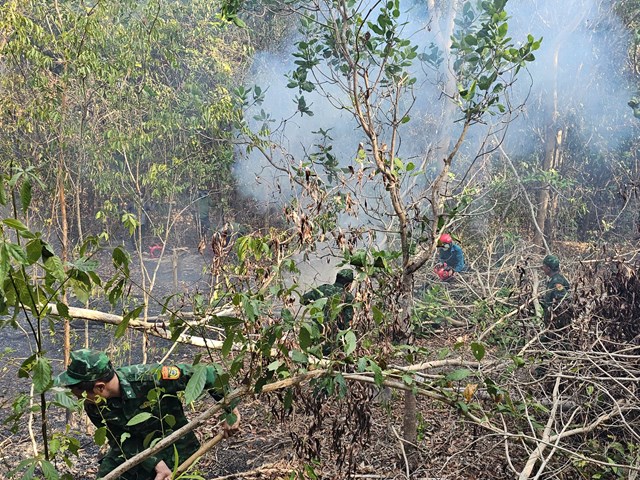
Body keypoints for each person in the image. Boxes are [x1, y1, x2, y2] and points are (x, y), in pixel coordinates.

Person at [55, 349, 240, 480]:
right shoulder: (94, 405)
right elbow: (119, 440)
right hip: (134, 450)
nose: (79, 399)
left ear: (100, 387)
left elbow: (208, 373)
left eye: (80, 394)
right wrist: (155, 463)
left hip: (177, 447)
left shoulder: (150, 377)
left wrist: (230, 411)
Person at [301, 268, 355, 355]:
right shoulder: (348, 297)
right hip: (333, 341)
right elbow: (348, 320)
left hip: (315, 335)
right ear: (348, 284)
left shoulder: (323, 289)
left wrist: (314, 306)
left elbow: (302, 300)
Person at [540, 254, 571, 326]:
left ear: (548, 268)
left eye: (544, 266)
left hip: (557, 323)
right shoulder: (554, 279)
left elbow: (563, 301)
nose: (542, 268)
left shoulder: (556, 282)